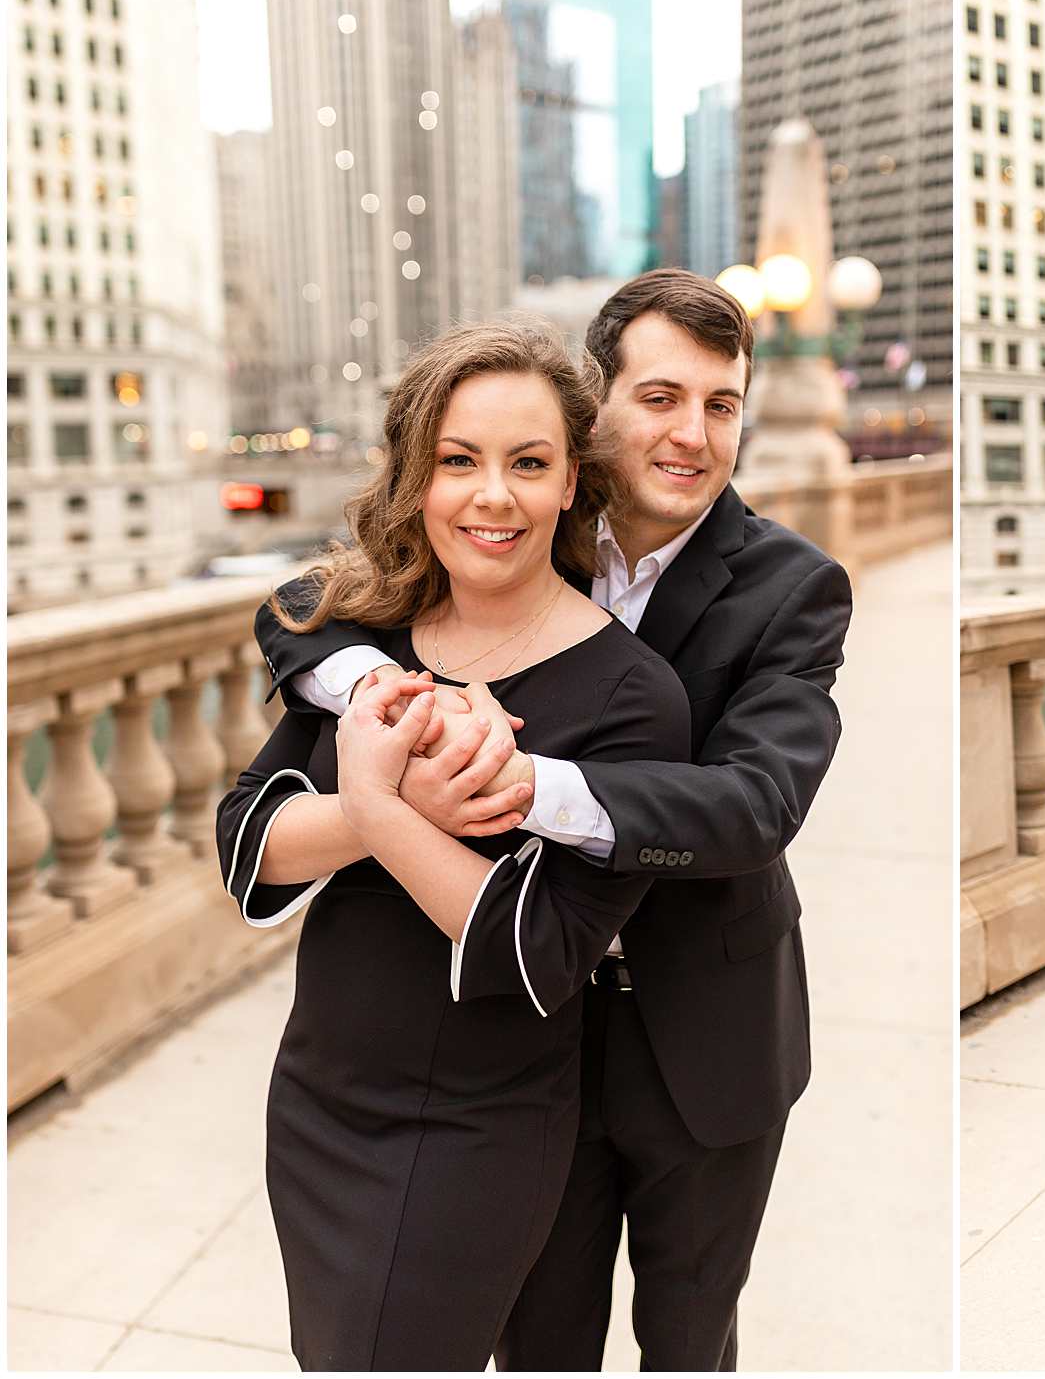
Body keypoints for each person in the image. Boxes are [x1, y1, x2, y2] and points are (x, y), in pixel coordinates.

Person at [254, 269, 854, 1371]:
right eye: (660, 397)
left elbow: (757, 804)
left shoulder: (792, 585)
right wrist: (383, 693)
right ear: (597, 406)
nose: (692, 433)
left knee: (689, 1340)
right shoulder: (523, 517)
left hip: (700, 1031)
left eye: (721, 404)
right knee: (539, 1342)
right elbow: (306, 610)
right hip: (526, 1049)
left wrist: (516, 777)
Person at [216, 318, 692, 1369]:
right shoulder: (371, 644)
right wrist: (374, 802)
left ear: (572, 483)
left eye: (528, 463)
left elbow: (539, 952)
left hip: (475, 1124)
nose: (493, 496)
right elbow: (248, 838)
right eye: (458, 460)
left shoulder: (633, 695)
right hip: (320, 1093)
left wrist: (384, 806)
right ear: (417, 478)